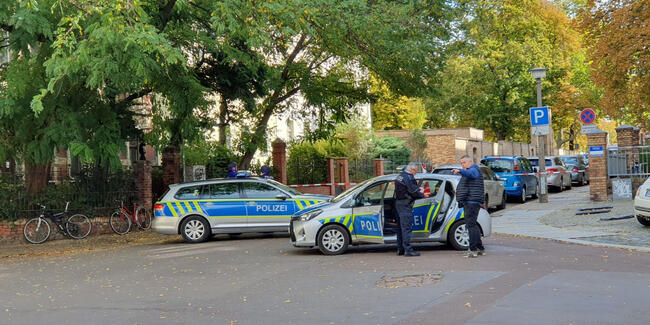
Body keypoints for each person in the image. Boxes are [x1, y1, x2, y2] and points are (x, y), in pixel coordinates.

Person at [452, 155, 486, 258]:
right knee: (473, 225)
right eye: (461, 163)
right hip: (471, 201)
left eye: (463, 163)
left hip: (471, 202)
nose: (462, 165)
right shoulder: (471, 170)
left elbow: (472, 175)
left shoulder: (474, 169)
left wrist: (460, 171)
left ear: (469, 162)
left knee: (470, 226)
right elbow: (468, 185)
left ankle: (472, 250)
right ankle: (480, 248)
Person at [394, 162, 429, 256]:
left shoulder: (400, 176)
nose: (415, 173)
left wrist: (417, 188)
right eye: (415, 171)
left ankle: (400, 249)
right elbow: (413, 192)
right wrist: (423, 195)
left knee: (400, 228)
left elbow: (407, 188)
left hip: (398, 204)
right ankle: (408, 250)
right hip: (405, 205)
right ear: (411, 170)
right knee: (406, 228)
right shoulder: (408, 178)